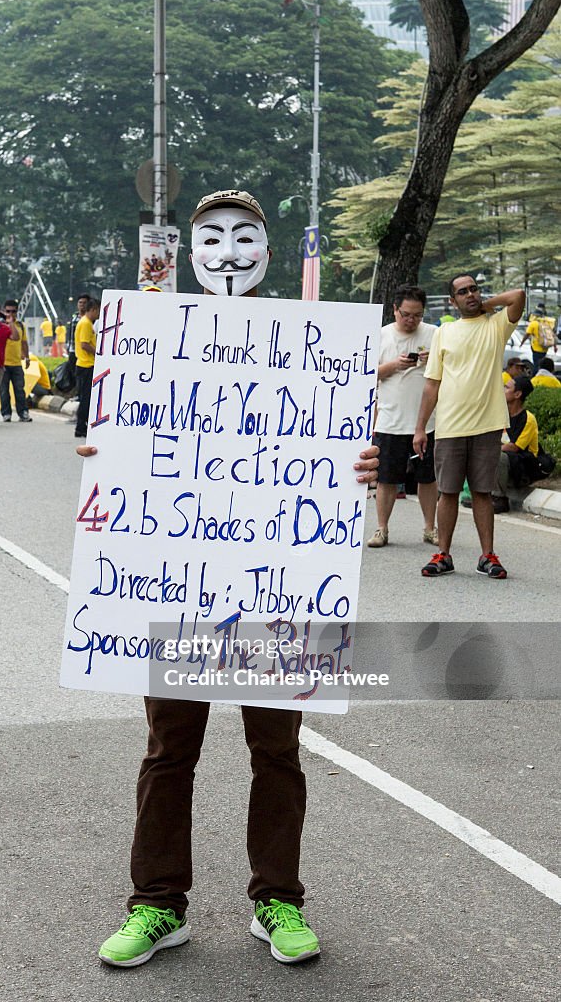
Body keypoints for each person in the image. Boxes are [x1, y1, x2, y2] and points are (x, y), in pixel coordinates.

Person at [78, 189, 380, 969]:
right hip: (177, 590)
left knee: (274, 752)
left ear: (268, 254)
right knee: (167, 752)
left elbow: (335, 451)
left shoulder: (312, 346)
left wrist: (363, 467)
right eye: (211, 237)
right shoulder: (152, 341)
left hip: (276, 595)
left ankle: (277, 899)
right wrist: (105, 455)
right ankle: (155, 906)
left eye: (244, 237)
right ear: (187, 251)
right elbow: (128, 447)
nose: (228, 251)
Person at [413, 274, 525, 580]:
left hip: (487, 425)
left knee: (482, 493)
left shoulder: (496, 326)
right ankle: (443, 555)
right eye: (462, 292)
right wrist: (420, 428)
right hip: (450, 426)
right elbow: (431, 385)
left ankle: (487, 556)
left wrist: (484, 305)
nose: (470, 294)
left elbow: (518, 295)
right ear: (452, 300)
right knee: (447, 493)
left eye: (474, 289)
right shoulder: (444, 332)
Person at [367, 284, 438, 548]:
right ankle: (382, 528)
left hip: (426, 422)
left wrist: (432, 359)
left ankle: (430, 528)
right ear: (395, 309)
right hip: (389, 420)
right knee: (386, 479)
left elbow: (447, 368)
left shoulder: (434, 334)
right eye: (406, 314)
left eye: (417, 315)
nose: (411, 320)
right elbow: (366, 372)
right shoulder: (381, 335)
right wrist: (395, 365)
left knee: (428, 478)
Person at [493, 375, 539, 513]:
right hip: (504, 465)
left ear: (518, 394)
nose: (503, 390)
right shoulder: (501, 413)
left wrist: (489, 450)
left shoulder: (528, 419)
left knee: (499, 455)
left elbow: (514, 447)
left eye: (507, 387)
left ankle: (500, 499)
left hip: (523, 467)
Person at [0, 299, 32, 423]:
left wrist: (27, 357)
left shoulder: (20, 326)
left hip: (17, 363)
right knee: (4, 391)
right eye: (8, 311)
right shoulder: (1, 326)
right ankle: (6, 413)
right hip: (3, 363)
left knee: (19, 389)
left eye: (13, 311)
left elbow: (23, 342)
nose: (11, 314)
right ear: (4, 311)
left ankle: (23, 412)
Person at [73, 297, 98, 438]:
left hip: (85, 365)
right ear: (93, 309)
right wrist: (99, 352)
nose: (99, 314)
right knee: (86, 398)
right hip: (86, 365)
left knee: (87, 397)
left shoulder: (86, 323)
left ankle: (83, 425)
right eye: (98, 311)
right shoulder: (86, 324)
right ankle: (80, 427)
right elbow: (84, 344)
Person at [520, 303, 557, 374]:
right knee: (542, 365)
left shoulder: (533, 323)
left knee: (536, 366)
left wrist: (522, 343)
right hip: (545, 347)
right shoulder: (547, 323)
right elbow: (553, 335)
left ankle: (535, 379)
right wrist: (555, 346)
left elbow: (527, 334)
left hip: (536, 348)